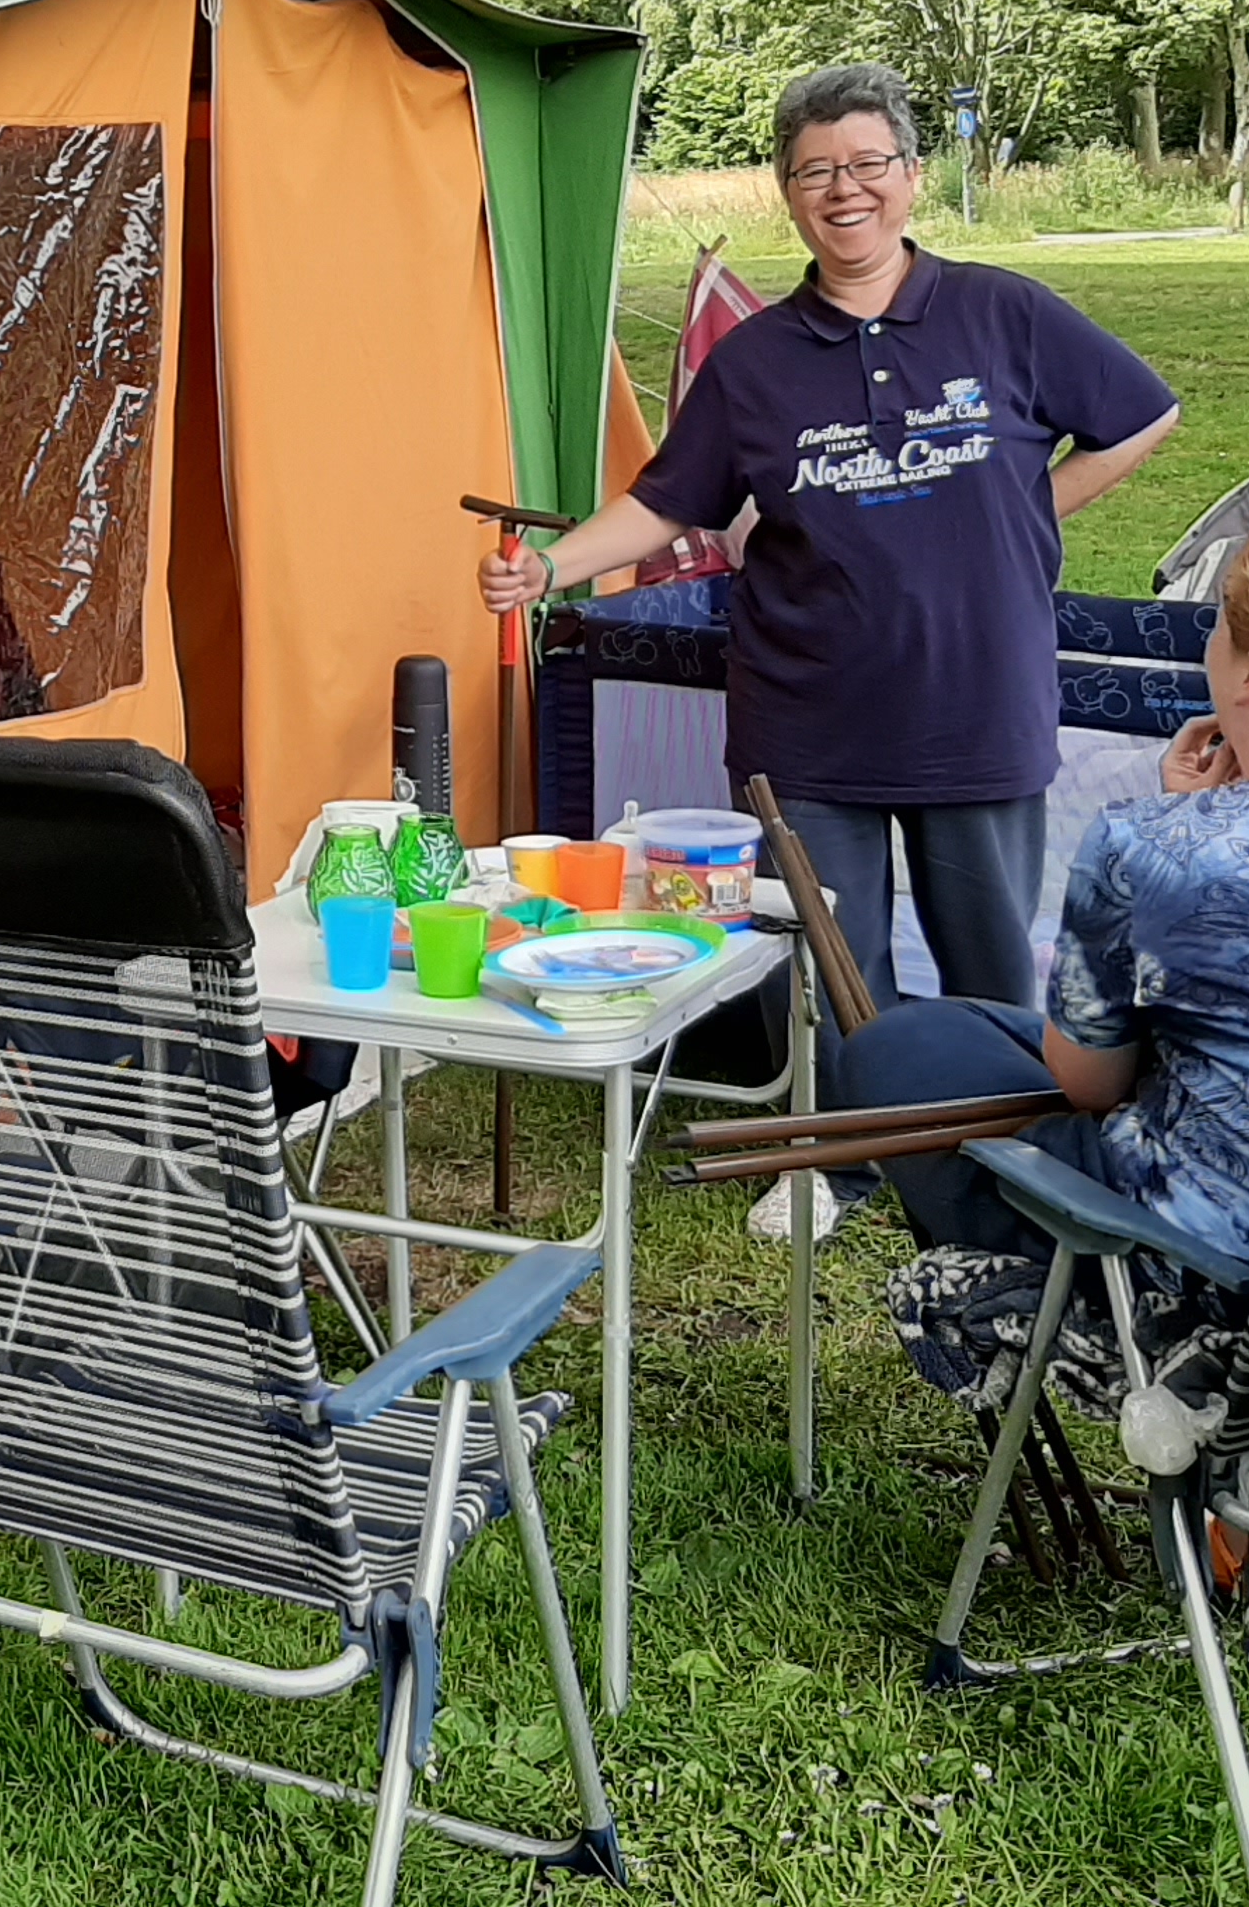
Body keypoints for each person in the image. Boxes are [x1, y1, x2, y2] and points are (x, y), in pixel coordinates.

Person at [479, 63, 1180, 1234]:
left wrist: (1032, 509)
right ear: (788, 195)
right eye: (816, 173)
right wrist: (551, 568)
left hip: (977, 704)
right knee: (837, 965)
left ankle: (1007, 1154)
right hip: (807, 718)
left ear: (911, 177)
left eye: (867, 165)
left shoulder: (1001, 311)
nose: (844, 191)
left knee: (990, 966)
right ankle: (850, 1164)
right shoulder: (752, 362)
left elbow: (1144, 412)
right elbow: (669, 502)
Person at [826, 508, 1249, 1277]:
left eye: (1219, 629)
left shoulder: (1152, 846)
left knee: (901, 1048)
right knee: (968, 1030)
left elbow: (1086, 1084)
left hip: (1217, 1251)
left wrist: (1179, 818)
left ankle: (1045, 1295)